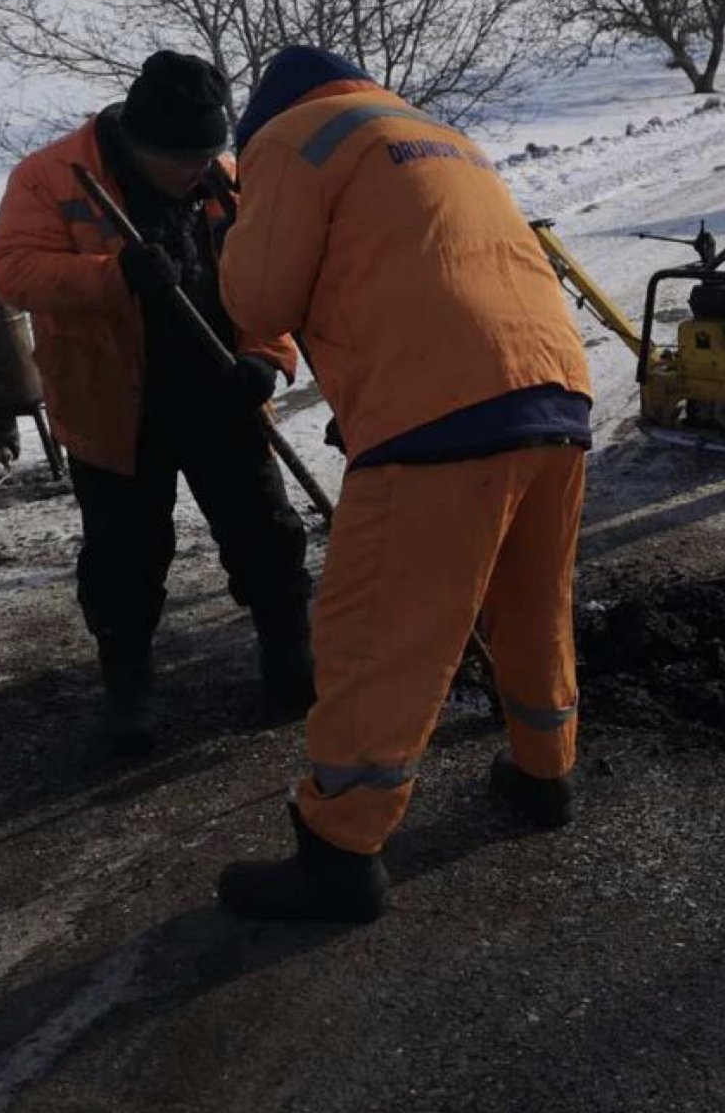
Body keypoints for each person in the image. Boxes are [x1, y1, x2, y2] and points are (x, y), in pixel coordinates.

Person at [215, 46, 593, 924]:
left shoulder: (290, 141)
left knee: (379, 633)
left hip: (438, 413)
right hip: (553, 390)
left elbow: (260, 299)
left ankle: (339, 852)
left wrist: (232, 232)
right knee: (533, 601)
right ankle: (547, 775)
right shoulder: (435, 133)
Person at [0, 51, 312, 759]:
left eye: (210, 153)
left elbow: (263, 272)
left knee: (266, 531)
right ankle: (128, 685)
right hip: (114, 406)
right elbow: (12, 272)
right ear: (144, 144)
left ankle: (290, 655)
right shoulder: (52, 177)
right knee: (125, 556)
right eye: (186, 160)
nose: (202, 170)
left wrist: (264, 355)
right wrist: (115, 276)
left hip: (218, 394)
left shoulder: (222, 182)